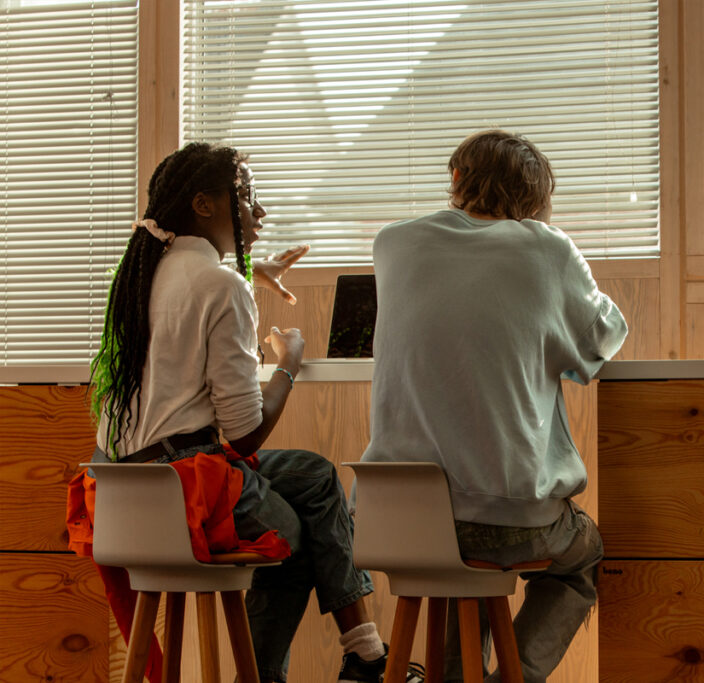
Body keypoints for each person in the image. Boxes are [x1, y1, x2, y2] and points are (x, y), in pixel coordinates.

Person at [78, 141, 402, 683]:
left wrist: (254, 274)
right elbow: (246, 435)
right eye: (248, 197)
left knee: (314, 475)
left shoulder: (140, 276)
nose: (261, 211)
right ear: (204, 204)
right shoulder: (218, 284)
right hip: (183, 490)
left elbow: (185, 322)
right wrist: (288, 365)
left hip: (120, 492)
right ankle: (301, 669)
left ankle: (363, 652)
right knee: (293, 533)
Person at [362, 129, 628, 682]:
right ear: (535, 200)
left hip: (394, 518)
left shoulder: (392, 243)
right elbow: (600, 341)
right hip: (506, 520)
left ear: (456, 178)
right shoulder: (545, 248)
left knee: (462, 567)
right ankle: (514, 679)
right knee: (581, 558)